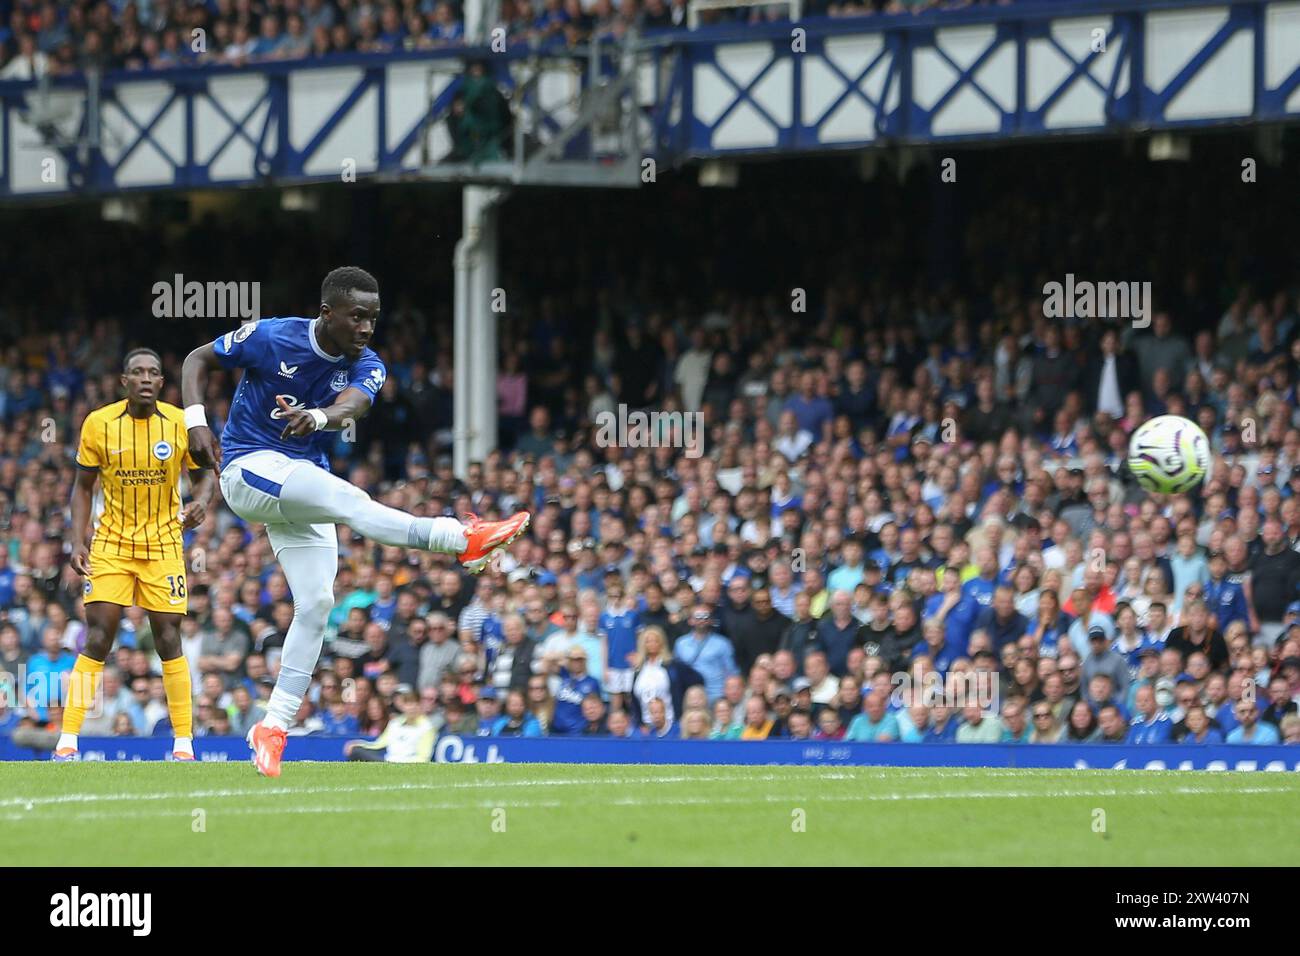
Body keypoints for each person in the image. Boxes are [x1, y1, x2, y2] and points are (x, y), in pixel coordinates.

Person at [182, 267, 530, 776]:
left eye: (373, 317)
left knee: (319, 603)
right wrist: (195, 420)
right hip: (247, 470)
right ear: (327, 314)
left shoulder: (368, 363)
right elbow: (199, 358)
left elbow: (356, 405)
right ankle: (463, 537)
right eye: (357, 317)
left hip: (301, 483)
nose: (367, 327)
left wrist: (320, 417)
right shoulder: (272, 335)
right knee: (354, 503)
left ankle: (272, 727)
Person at [56, 348, 215, 762]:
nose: (145, 378)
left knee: (168, 639)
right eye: (137, 372)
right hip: (110, 545)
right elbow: (83, 488)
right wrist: (78, 539)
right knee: (99, 635)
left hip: (163, 546)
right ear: (123, 381)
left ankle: (183, 743)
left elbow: (205, 476)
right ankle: (68, 740)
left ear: (162, 383)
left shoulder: (180, 423)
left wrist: (202, 501)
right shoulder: (99, 424)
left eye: (153, 373)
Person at [344, 688, 435, 762]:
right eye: (408, 704)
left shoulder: (426, 727)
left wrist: (404, 765)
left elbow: (424, 757)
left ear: (419, 705)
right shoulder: (395, 723)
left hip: (406, 763)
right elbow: (378, 744)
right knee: (356, 751)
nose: (411, 707)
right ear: (403, 706)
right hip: (387, 761)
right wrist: (358, 744)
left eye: (414, 704)